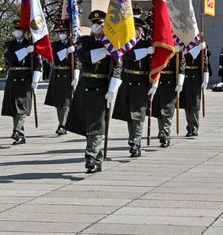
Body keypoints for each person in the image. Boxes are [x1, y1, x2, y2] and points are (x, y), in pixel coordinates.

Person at [65, 10, 122, 173]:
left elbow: (118, 67)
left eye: (100, 24)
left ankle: (90, 156)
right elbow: (83, 58)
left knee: (96, 123)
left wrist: (112, 89)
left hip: (102, 87)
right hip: (85, 85)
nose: (97, 26)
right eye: (95, 24)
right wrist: (105, 51)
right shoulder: (85, 41)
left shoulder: (113, 43)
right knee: (89, 124)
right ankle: (97, 159)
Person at [113, 14, 152, 157]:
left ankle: (135, 142)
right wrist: (145, 52)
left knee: (138, 114)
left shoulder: (148, 44)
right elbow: (127, 57)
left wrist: (154, 83)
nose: (135, 31)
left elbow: (152, 66)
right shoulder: (126, 44)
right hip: (127, 80)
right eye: (133, 28)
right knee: (130, 115)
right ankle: (134, 140)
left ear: (142, 31)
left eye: (137, 29)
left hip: (141, 82)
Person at [0, 26, 42, 145]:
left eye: (19, 30)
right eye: (15, 29)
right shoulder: (9, 45)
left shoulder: (31, 44)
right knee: (14, 108)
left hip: (26, 77)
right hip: (13, 77)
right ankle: (21, 135)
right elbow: (10, 59)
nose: (17, 32)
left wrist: (35, 80)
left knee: (22, 107)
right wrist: (25, 51)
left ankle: (17, 130)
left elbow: (37, 64)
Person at [46, 18, 77, 135]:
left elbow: (77, 62)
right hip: (57, 75)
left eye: (63, 32)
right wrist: (66, 52)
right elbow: (55, 58)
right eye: (59, 33)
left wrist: (76, 76)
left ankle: (62, 125)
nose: (61, 34)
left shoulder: (73, 45)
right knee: (58, 103)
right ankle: (62, 122)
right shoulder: (55, 45)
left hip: (68, 75)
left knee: (65, 103)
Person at [152, 45, 185, 147]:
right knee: (159, 109)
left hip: (170, 81)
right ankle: (162, 131)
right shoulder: (158, 45)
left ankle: (165, 134)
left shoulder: (176, 48)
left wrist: (180, 82)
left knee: (168, 109)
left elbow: (181, 65)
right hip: (158, 80)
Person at [182, 46, 211, 137]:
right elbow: (184, 59)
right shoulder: (184, 47)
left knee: (194, 104)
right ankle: (189, 127)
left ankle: (194, 127)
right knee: (187, 104)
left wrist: (205, 79)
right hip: (186, 76)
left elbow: (205, 63)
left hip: (195, 78)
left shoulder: (200, 49)